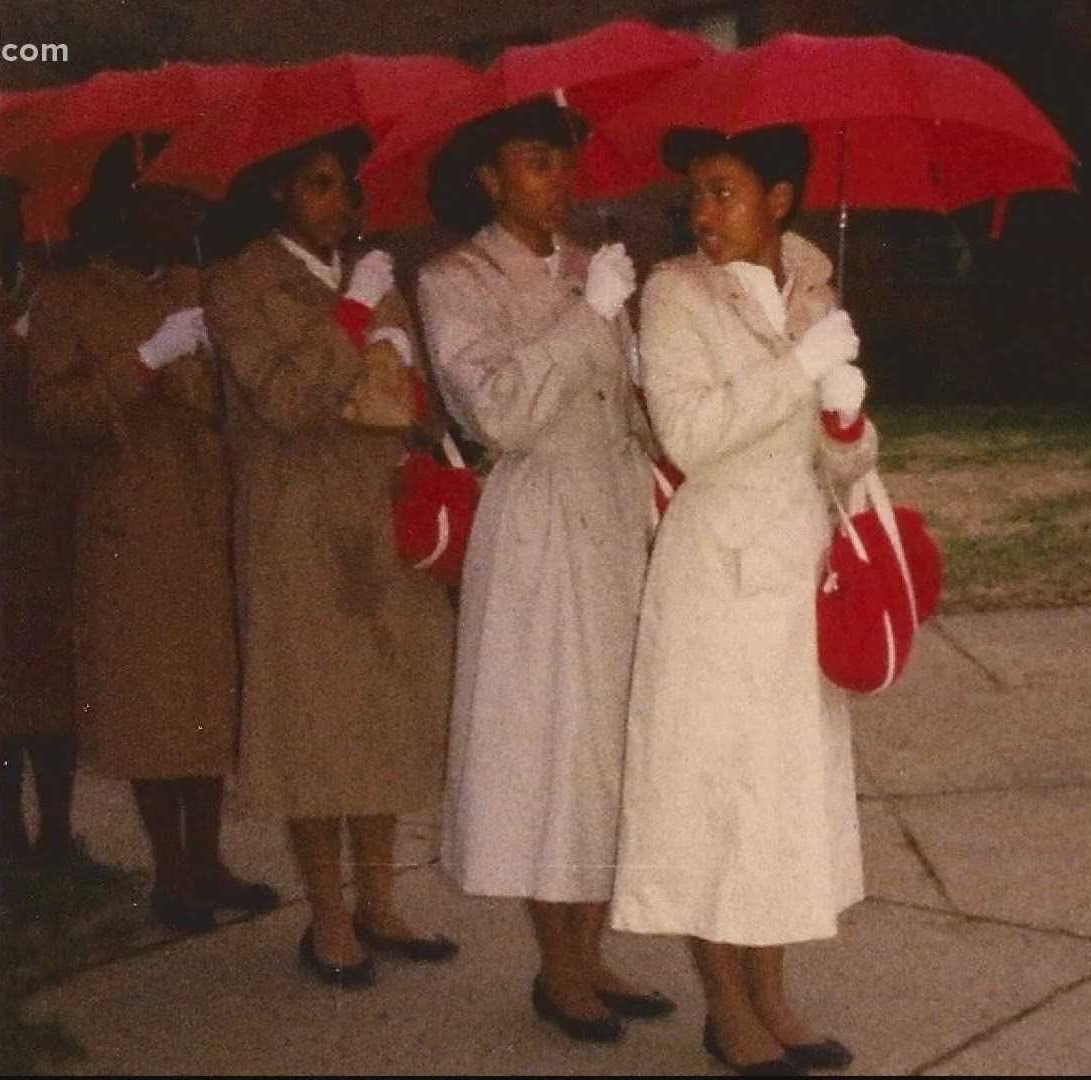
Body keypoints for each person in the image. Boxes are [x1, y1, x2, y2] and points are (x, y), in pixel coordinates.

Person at [611, 124, 876, 1076]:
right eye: (696, 195)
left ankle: (773, 994)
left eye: (725, 192)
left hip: (795, 571)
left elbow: (839, 460)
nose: (703, 213)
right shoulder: (672, 295)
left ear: (781, 198)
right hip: (715, 576)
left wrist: (845, 415)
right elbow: (687, 434)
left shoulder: (812, 285)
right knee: (714, 793)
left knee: (778, 798)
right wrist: (798, 372)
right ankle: (726, 1007)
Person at [417, 97, 673, 1045]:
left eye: (563, 161)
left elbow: (625, 409)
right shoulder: (455, 278)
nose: (557, 180)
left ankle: (595, 952)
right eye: (534, 162)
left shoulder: (585, 267)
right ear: (488, 176)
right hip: (539, 529)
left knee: (607, 748)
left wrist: (642, 355)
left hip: (613, 520)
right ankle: (557, 970)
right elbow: (498, 413)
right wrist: (589, 320)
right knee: (548, 748)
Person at [200, 126, 458, 988]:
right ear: (277, 191)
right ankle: (329, 918)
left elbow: (406, 401)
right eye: (316, 184)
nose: (337, 203)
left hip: (380, 518)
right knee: (313, 722)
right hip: (297, 528)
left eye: (345, 187)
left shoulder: (368, 274)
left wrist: (399, 355)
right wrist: (354, 318)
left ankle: (381, 902)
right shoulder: (237, 282)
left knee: (379, 715)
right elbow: (282, 398)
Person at [24, 137, 280, 931]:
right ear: (126, 205)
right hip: (128, 527)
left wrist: (217, 361)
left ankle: (208, 860)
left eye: (192, 202)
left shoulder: (201, 286)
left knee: (207, 703)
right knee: (149, 706)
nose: (187, 213)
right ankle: (170, 872)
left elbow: (240, 409)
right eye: (170, 199)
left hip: (207, 522)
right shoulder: (67, 297)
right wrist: (145, 360)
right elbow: (53, 415)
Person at [0, 174, 80, 870]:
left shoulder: (45, 287)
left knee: (55, 683)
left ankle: (57, 829)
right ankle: (1, 833)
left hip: (51, 510)